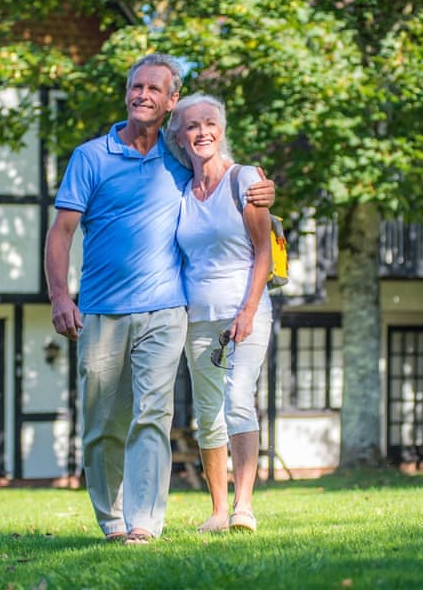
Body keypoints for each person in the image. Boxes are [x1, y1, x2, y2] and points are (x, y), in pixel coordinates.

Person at [44, 54, 274, 544]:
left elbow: (224, 170)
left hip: (168, 310)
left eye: (154, 89)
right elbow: (61, 232)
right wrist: (60, 295)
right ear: (127, 93)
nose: (142, 95)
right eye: (136, 87)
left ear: (170, 101)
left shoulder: (177, 158)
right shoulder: (91, 157)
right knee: (104, 422)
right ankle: (111, 519)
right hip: (102, 311)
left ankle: (145, 522)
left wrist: (261, 188)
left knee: (153, 415)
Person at [165, 93, 272, 533]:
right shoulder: (180, 192)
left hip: (244, 311)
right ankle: (216, 511)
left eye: (210, 123)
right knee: (207, 413)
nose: (202, 131)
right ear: (180, 136)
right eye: (192, 125)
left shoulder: (243, 180)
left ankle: (243, 506)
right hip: (197, 316)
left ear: (222, 130)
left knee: (238, 399)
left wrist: (247, 310)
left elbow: (263, 251)